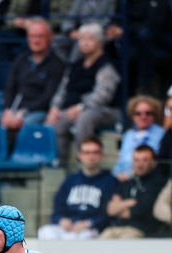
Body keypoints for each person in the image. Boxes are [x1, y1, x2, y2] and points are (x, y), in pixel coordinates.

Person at [46, 23, 121, 165]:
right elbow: (63, 89)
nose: (85, 43)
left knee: (85, 118)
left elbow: (103, 96)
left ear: (100, 42)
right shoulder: (75, 65)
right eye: (81, 39)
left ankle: (85, 165)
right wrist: (55, 107)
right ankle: (57, 165)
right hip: (74, 109)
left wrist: (80, 107)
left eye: (90, 39)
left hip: (106, 110)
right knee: (54, 121)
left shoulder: (106, 65)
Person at [0, 19, 64, 131]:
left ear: (50, 37)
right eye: (32, 36)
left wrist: (23, 113)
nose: (36, 40)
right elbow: (10, 88)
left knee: (28, 124)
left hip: (38, 112)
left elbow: (47, 97)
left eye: (40, 36)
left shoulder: (57, 64)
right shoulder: (21, 59)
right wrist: (7, 110)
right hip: (14, 110)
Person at [40, 136, 117, 240]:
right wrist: (61, 220)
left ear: (101, 156)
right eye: (87, 152)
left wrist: (88, 223)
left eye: (95, 152)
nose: (91, 156)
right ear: (80, 156)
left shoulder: (110, 181)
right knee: (45, 232)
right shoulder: (70, 180)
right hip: (68, 226)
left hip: (91, 229)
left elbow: (109, 214)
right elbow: (58, 208)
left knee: (79, 238)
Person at [102, 145, 168, 239]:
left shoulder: (158, 183)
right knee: (102, 240)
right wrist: (129, 202)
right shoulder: (127, 181)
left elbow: (141, 209)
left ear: (154, 163)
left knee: (125, 243)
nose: (139, 164)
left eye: (145, 160)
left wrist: (120, 206)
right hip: (116, 227)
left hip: (141, 230)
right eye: (136, 160)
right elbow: (110, 209)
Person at [113, 96, 166, 180]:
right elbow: (120, 163)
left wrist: (130, 175)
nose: (143, 117)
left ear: (155, 115)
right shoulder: (128, 135)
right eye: (138, 113)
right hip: (123, 181)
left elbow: (157, 164)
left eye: (148, 113)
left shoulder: (161, 134)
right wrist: (118, 175)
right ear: (132, 116)